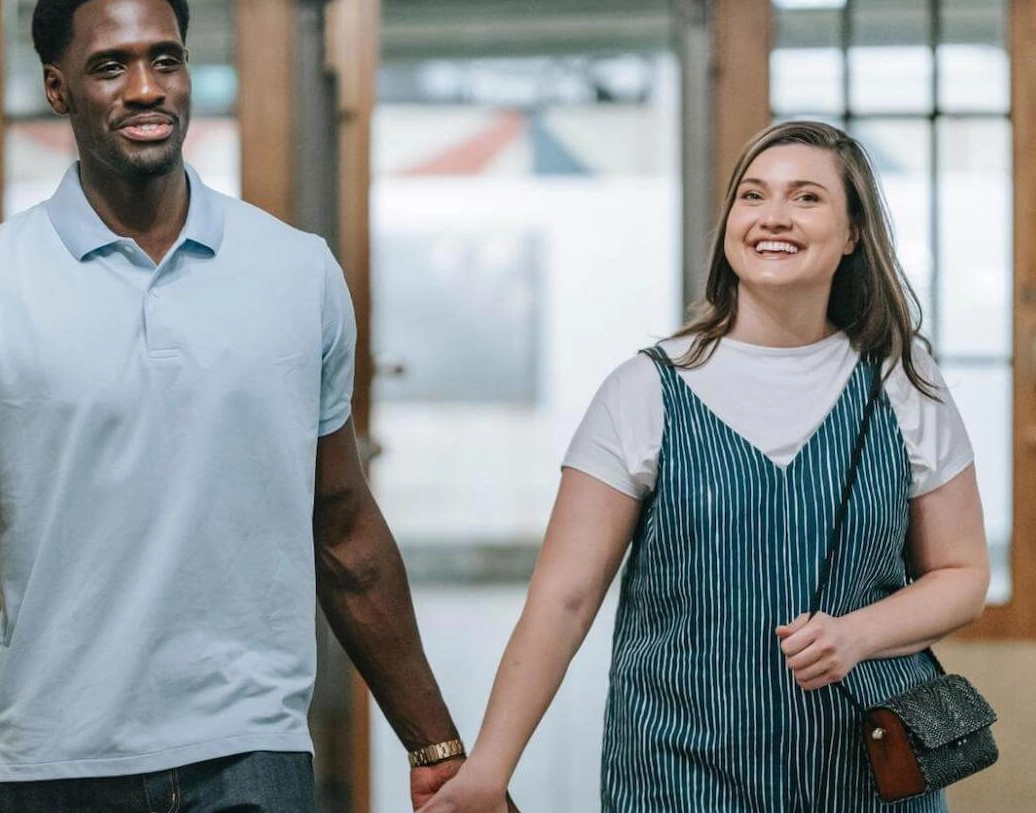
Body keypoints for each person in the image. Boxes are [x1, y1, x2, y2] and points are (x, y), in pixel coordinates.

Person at [0, 0, 471, 810]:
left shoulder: (296, 274)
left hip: (253, 754)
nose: (145, 87)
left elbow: (343, 527)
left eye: (164, 59)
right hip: (57, 761)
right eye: (111, 66)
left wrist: (436, 744)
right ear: (59, 89)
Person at [418, 120, 991, 812]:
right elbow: (562, 601)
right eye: (753, 196)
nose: (773, 215)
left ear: (851, 234)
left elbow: (963, 575)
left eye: (806, 198)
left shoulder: (902, 382)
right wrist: (487, 769)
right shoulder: (643, 391)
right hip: (678, 772)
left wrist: (856, 633)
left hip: (865, 774)